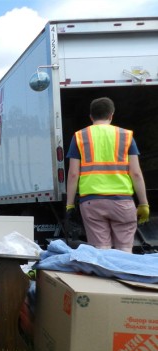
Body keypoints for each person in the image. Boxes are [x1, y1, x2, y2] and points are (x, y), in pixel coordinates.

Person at [65, 97, 149, 252]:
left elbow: (73, 174)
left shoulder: (79, 136)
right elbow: (136, 173)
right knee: (125, 251)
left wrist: (69, 204)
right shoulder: (126, 136)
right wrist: (144, 203)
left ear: (91, 117)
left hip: (91, 201)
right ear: (111, 115)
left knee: (101, 251)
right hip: (122, 201)